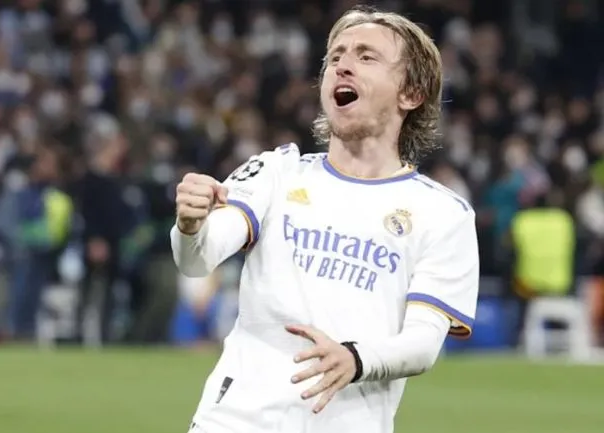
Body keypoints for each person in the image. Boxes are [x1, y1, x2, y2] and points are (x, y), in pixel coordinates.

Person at [170, 6, 479, 433]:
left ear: (411, 94)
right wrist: (190, 225)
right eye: (335, 57)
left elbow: (424, 344)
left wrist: (354, 359)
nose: (343, 66)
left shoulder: (444, 214)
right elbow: (195, 261)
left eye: (366, 57)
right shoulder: (275, 173)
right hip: (235, 421)